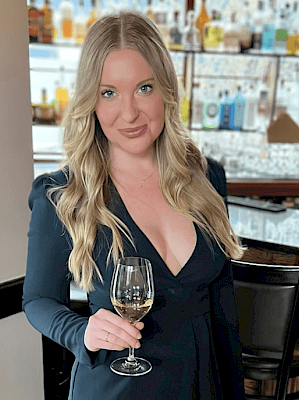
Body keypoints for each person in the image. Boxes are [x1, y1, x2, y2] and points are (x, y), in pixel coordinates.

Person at [23, 11, 246, 400]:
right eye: (109, 92)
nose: (128, 113)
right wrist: (82, 332)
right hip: (114, 388)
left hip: (200, 387)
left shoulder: (206, 178)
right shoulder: (64, 193)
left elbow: (223, 311)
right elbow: (38, 300)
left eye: (144, 88)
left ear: (166, 89)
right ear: (91, 100)